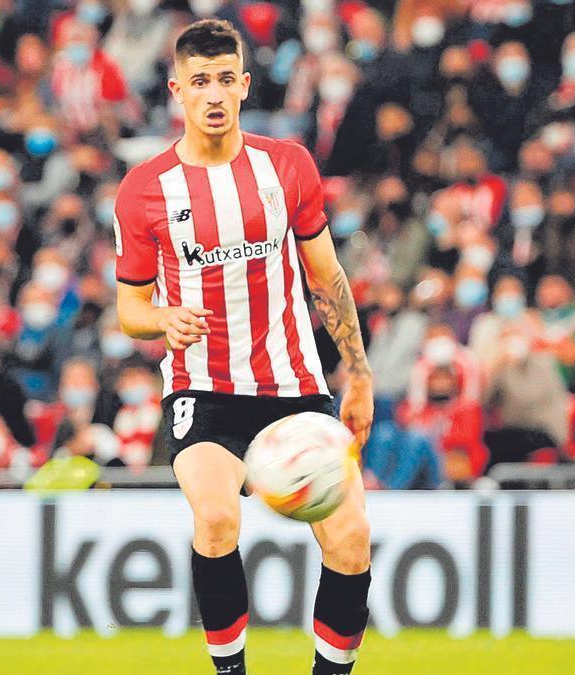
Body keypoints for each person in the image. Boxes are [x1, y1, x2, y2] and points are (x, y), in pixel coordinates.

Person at [112, 21, 373, 675]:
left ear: (245, 85)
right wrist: (162, 320)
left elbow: (327, 278)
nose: (214, 94)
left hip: (296, 388)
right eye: (200, 81)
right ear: (177, 90)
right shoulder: (144, 189)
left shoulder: (286, 165)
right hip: (204, 390)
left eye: (226, 79)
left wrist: (360, 375)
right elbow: (130, 309)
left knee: (351, 540)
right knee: (217, 518)